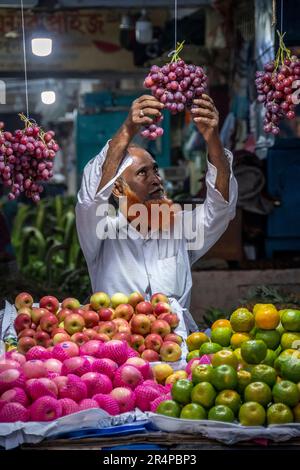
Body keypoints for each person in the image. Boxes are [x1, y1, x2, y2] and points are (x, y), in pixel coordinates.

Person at [76, 95, 238, 327]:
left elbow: (220, 208)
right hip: (117, 351)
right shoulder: (101, 234)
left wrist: (213, 139)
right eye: (143, 173)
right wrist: (127, 130)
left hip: (176, 350)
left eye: (155, 170)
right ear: (119, 188)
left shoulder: (180, 229)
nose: (156, 180)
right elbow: (90, 200)